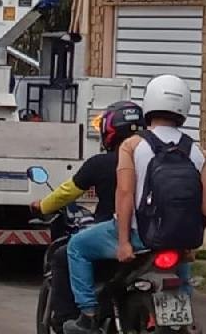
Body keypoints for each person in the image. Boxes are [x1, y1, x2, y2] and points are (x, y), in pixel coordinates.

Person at [64, 76, 206, 334]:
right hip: (177, 239)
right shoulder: (196, 151)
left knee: (76, 247)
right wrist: (191, 240)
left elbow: (124, 194)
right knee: (180, 273)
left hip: (138, 236)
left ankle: (88, 315)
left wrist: (123, 242)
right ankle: (185, 318)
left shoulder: (133, 145)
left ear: (150, 104)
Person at [32, 101, 144, 327]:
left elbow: (67, 192)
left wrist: (42, 206)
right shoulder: (150, 160)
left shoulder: (101, 163)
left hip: (113, 237)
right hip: (149, 235)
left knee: (64, 255)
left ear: (109, 132)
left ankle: (73, 318)